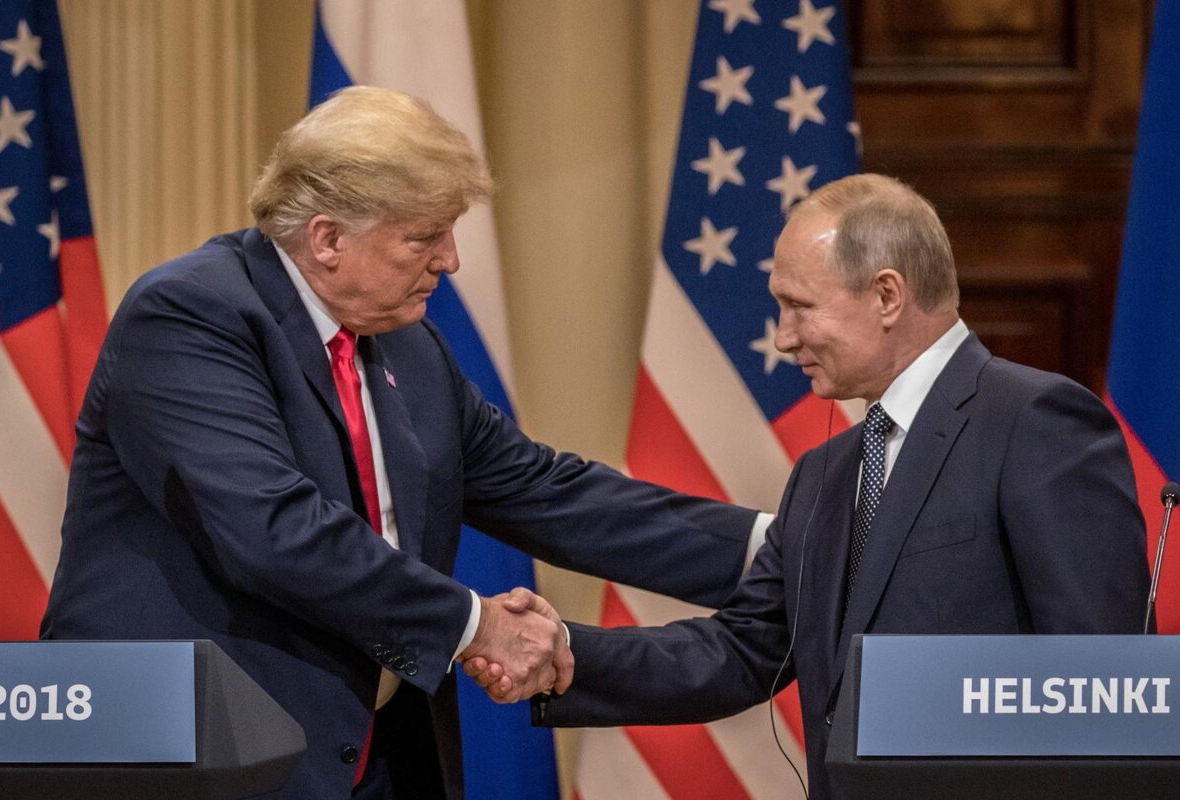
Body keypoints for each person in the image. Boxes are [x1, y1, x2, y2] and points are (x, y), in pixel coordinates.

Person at [38, 86, 770, 800]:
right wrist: (477, 625)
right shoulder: (191, 315)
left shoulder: (409, 348)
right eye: (424, 237)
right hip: (194, 750)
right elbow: (275, 530)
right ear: (326, 238)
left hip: (371, 752)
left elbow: (545, 490)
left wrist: (779, 548)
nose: (450, 260)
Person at [466, 174, 1150, 800]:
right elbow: (739, 652)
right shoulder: (827, 474)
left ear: (887, 295)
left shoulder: (1035, 422)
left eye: (798, 307)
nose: (784, 338)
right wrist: (562, 654)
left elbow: (1100, 684)